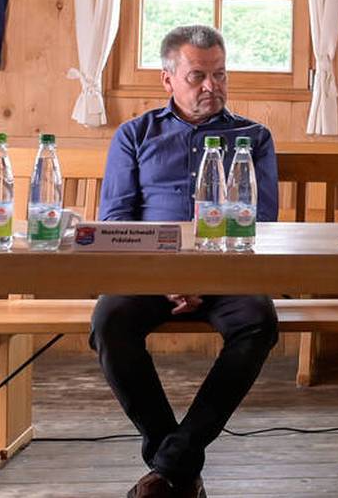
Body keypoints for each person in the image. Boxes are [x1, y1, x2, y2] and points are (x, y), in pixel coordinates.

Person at [93, 25, 280, 498]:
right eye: (197, 75)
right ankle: (177, 464)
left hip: (227, 274)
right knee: (109, 320)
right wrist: (164, 276)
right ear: (168, 79)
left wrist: (207, 278)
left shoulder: (252, 138)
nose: (210, 87)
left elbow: (262, 217)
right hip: (150, 275)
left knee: (258, 321)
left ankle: (169, 467)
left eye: (219, 75)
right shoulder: (134, 135)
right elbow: (117, 218)